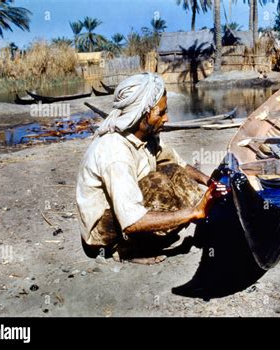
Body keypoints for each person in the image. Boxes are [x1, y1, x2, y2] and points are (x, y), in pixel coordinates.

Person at [76, 73, 227, 264]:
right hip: (103, 231)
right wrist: (191, 212)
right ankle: (127, 249)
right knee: (159, 183)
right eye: (161, 112)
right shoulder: (115, 152)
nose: (166, 118)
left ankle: (207, 218)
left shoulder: (146, 135)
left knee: (174, 171)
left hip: (128, 206)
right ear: (142, 113)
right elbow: (131, 221)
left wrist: (209, 182)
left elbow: (179, 165)